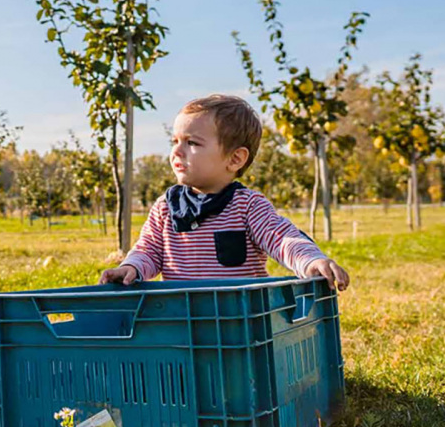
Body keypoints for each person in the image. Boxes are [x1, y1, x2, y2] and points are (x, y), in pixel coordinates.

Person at [99, 94, 350, 291]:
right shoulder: (166, 207)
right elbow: (149, 250)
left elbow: (281, 238)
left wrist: (311, 261)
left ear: (234, 159)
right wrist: (131, 266)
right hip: (182, 319)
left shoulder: (247, 206)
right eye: (174, 141)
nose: (177, 151)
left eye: (192, 143)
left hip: (237, 321)